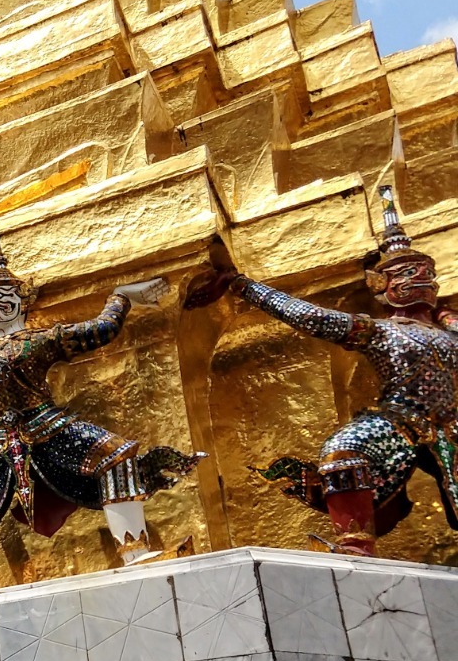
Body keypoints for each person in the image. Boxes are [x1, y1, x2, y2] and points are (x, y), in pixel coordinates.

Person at [0, 211, 202, 592]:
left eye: (0, 299)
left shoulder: (39, 340)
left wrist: (121, 298)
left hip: (46, 423)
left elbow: (101, 330)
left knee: (116, 456)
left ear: (19, 303)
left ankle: (134, 552)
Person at [185, 186, 458, 554]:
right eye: (408, 273)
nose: (420, 281)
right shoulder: (380, 330)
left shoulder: (451, 332)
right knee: (343, 449)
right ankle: (356, 545)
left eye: (425, 273)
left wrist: (445, 315)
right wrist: (242, 286)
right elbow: (309, 317)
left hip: (453, 423)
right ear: (383, 285)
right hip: (401, 419)